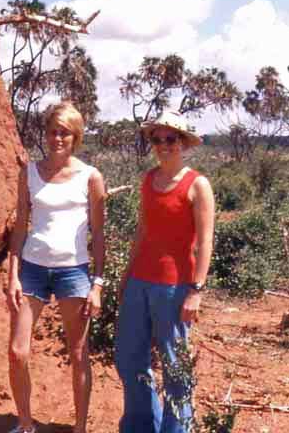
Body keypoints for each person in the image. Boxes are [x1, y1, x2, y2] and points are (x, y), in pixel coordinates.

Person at [6, 102, 106, 433]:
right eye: (52, 131)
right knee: (18, 351)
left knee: (78, 354)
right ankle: (25, 425)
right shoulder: (29, 173)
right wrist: (12, 277)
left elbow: (99, 234)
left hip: (73, 272)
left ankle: (79, 427)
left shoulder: (91, 177)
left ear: (75, 136)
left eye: (64, 132)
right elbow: (20, 227)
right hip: (32, 269)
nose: (57, 137)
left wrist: (98, 284)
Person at [115, 110, 215, 433]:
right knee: (131, 360)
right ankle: (142, 425)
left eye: (170, 139)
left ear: (182, 142)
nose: (163, 145)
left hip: (174, 288)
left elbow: (205, 241)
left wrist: (196, 291)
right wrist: (126, 276)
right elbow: (142, 231)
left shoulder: (197, 185)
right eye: (157, 139)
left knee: (175, 367)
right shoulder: (148, 180)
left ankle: (177, 428)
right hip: (139, 283)